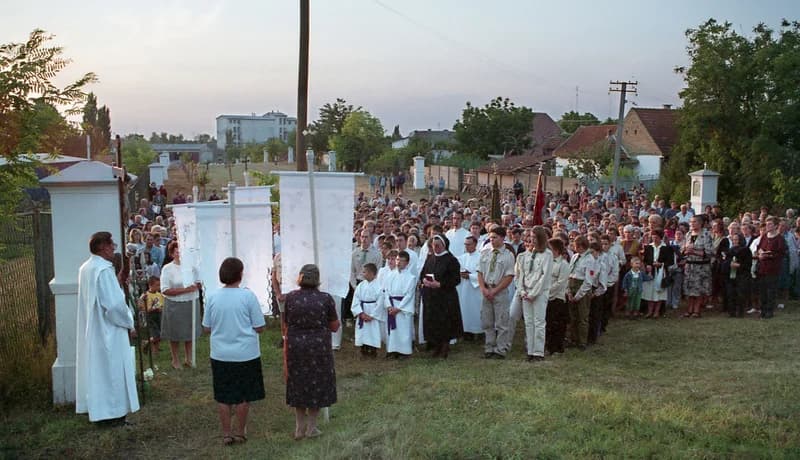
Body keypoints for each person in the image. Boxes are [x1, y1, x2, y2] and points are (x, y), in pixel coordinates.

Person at [75, 231, 139, 425]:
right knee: (113, 370)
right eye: (111, 245)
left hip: (95, 328)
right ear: (102, 247)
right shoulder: (103, 270)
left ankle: (102, 412)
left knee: (99, 371)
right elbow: (113, 305)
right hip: (109, 330)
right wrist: (129, 321)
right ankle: (114, 415)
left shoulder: (87, 268)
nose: (113, 248)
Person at [202, 257, 266, 446]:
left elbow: (206, 327)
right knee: (243, 395)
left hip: (221, 353)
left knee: (223, 396)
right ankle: (240, 432)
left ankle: (226, 433)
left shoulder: (212, 297)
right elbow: (260, 326)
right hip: (246, 354)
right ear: (240, 274)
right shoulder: (248, 296)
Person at [283, 264, 339, 440]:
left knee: (299, 383)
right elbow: (334, 326)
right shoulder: (325, 298)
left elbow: (285, 323)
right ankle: (311, 428)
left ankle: (299, 428)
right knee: (317, 384)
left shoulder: (291, 298)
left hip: (296, 346)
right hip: (318, 347)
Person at [509, 227, 553, 362]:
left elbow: (544, 277)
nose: (531, 240)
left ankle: (538, 352)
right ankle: (530, 350)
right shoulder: (524, 255)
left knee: (539, 321)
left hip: (539, 293)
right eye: (530, 237)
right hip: (525, 292)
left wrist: (534, 293)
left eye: (534, 237)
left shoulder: (547, 254)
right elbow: (519, 275)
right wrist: (522, 291)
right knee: (529, 322)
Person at [160, 241, 201, 369]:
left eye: (182, 251)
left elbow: (199, 282)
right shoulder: (167, 268)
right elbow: (165, 289)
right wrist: (185, 290)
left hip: (191, 302)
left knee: (190, 332)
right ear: (172, 254)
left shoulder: (193, 267)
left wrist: (196, 286)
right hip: (174, 304)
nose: (180, 254)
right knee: (175, 333)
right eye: (177, 251)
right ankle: (175, 360)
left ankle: (189, 359)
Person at [420, 235, 463, 359]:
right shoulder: (430, 258)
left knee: (445, 322)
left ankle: (445, 346)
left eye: (438, 245)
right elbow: (423, 273)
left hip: (445, 297)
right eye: (433, 245)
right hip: (431, 296)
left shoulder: (451, 260)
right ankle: (436, 345)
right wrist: (424, 281)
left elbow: (456, 279)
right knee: (433, 322)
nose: (435, 247)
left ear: (444, 245)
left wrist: (440, 284)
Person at [477, 226, 516, 359]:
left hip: (499, 290)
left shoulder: (508, 255)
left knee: (501, 322)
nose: (492, 240)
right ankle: (489, 347)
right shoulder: (485, 253)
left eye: (495, 237)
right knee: (487, 321)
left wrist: (495, 290)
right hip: (486, 289)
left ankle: (500, 349)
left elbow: (509, 276)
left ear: (503, 238)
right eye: (490, 237)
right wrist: (483, 288)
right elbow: (480, 272)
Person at [384, 251, 417, 359]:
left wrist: (398, 308)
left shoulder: (411, 277)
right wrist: (389, 306)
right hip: (391, 304)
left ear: (407, 263)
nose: (398, 262)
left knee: (403, 330)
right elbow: (386, 291)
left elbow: (409, 295)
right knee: (393, 331)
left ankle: (404, 351)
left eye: (402, 261)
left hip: (402, 307)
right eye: (397, 260)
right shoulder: (390, 275)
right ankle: (392, 350)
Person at [681, 216, 714, 318]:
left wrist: (694, 251)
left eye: (694, 222)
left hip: (701, 267)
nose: (692, 224)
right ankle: (689, 309)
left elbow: (709, 252)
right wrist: (685, 251)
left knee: (699, 289)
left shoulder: (706, 234)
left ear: (700, 223)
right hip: (689, 266)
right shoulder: (688, 234)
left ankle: (696, 310)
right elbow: (683, 250)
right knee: (690, 289)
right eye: (691, 222)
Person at [351, 263, 386, 357]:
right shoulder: (361, 285)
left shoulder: (379, 286)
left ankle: (373, 349)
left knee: (373, 331)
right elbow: (356, 299)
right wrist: (360, 313)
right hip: (363, 309)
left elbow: (380, 302)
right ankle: (363, 348)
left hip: (373, 310)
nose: (362, 274)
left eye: (364, 272)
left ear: (371, 273)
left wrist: (372, 315)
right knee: (363, 331)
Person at [756, 216, 788, 319]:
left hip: (772, 268)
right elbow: (759, 247)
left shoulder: (779, 239)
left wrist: (769, 255)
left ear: (775, 226)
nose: (768, 226)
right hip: (762, 267)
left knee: (770, 290)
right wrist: (760, 253)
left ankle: (769, 311)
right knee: (762, 290)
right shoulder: (764, 236)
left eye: (770, 224)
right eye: (767, 224)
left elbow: (781, 253)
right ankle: (762, 310)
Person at [545, 238, 570, 355]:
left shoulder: (563, 264)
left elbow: (561, 282)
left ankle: (557, 347)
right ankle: (549, 345)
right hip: (546, 296)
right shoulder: (547, 262)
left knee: (557, 323)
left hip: (557, 297)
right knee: (548, 322)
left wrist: (549, 291)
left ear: (556, 250)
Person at [456, 236, 482, 339]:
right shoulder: (462, 257)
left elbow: (483, 274)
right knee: (465, 309)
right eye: (465, 244)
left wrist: (470, 276)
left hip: (476, 288)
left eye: (469, 244)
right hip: (464, 288)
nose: (466, 246)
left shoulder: (481, 257)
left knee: (476, 309)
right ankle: (466, 332)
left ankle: (479, 331)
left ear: (475, 244)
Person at [138, 276, 165, 353]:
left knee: (160, 333)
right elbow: (141, 306)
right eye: (156, 285)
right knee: (155, 334)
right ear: (150, 285)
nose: (158, 287)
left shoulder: (159, 295)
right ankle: (149, 345)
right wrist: (147, 308)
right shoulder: (145, 295)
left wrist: (161, 308)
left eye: (159, 285)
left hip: (158, 315)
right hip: (150, 316)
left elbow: (162, 304)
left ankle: (155, 349)